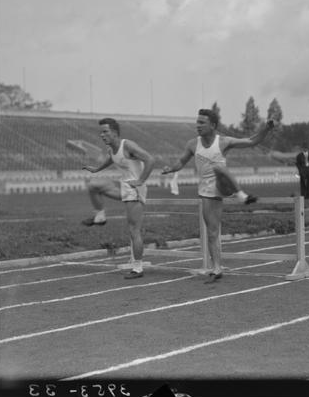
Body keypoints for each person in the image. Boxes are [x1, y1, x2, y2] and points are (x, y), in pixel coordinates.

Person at [161, 108, 275, 283]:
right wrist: (171, 168)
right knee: (212, 232)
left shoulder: (224, 141)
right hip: (206, 191)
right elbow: (181, 161)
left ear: (213, 125)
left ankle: (242, 195)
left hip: (223, 186)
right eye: (197, 122)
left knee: (218, 167)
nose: (197, 125)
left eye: (202, 122)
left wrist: (266, 128)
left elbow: (252, 141)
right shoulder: (193, 144)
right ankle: (217, 268)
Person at [81, 118, 155, 279]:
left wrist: (141, 181)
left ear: (115, 133)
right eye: (101, 132)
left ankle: (138, 268)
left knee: (133, 230)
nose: (102, 135)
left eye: (105, 131)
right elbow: (112, 159)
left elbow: (150, 159)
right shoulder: (111, 149)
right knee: (94, 186)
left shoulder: (128, 145)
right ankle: (100, 216)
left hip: (135, 189)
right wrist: (96, 169)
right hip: (125, 187)